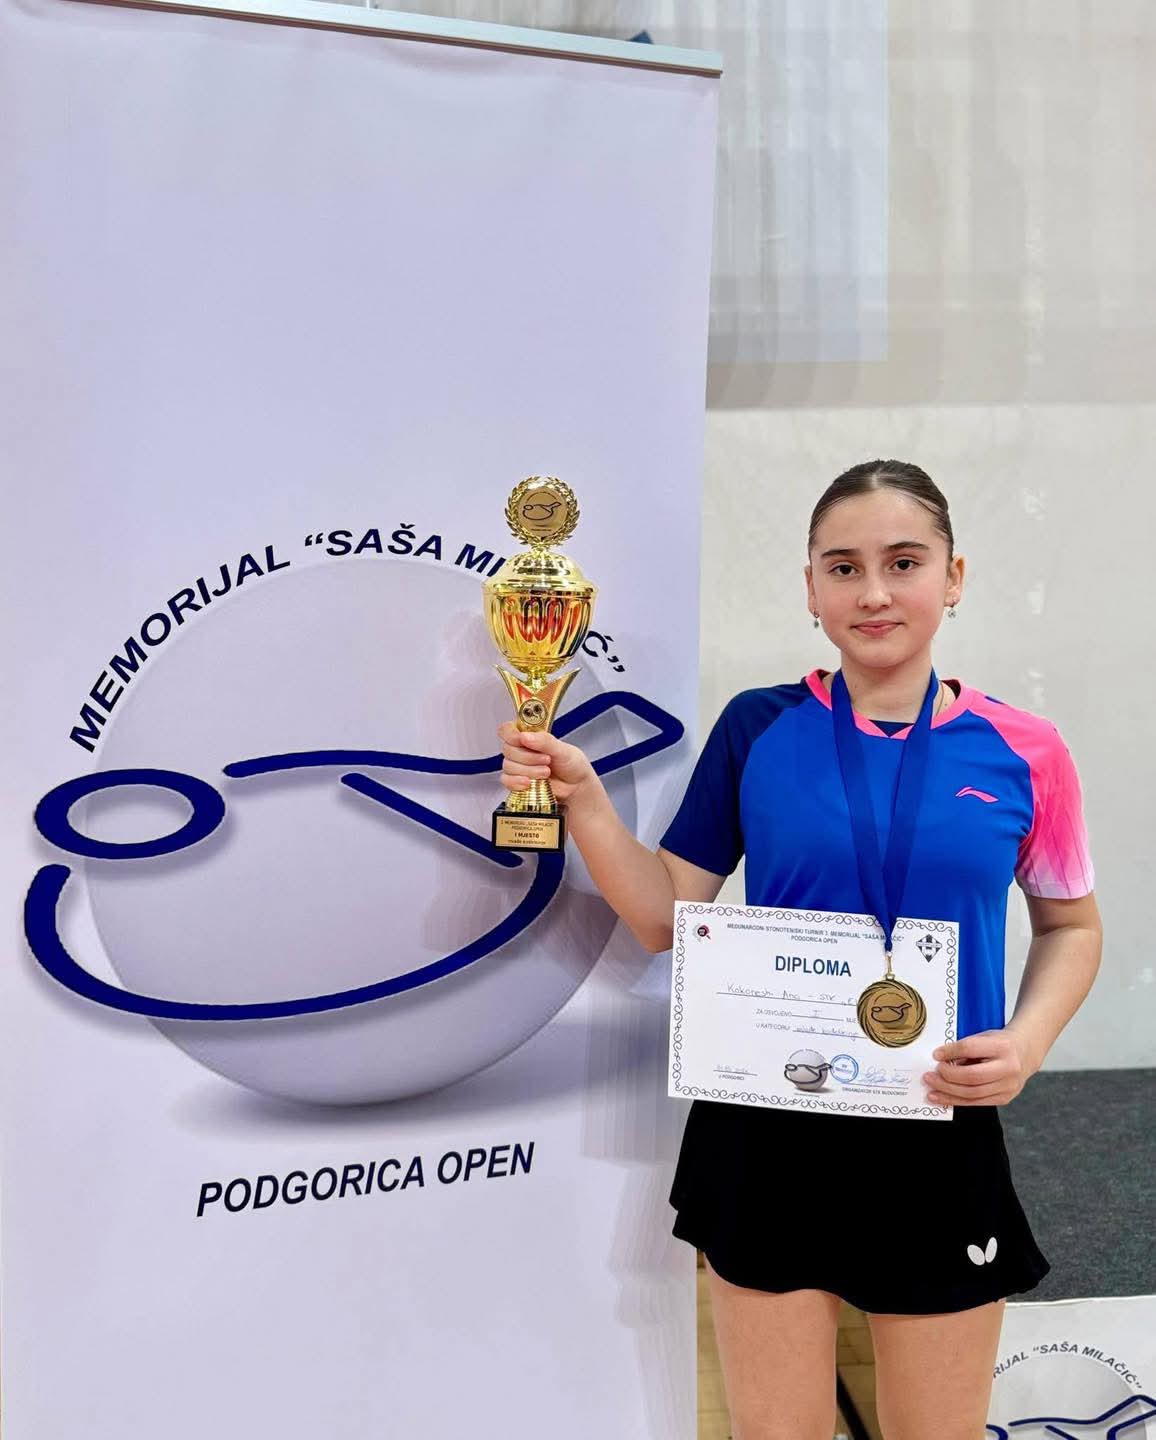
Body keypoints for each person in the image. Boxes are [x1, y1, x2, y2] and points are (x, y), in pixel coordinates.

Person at [497, 459, 1102, 1440]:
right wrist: (586, 804)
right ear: (810, 588)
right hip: (769, 1125)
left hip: (935, 1120)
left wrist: (1027, 1044)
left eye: (903, 562)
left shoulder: (1025, 749)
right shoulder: (758, 727)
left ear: (952, 576)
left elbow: (1071, 927)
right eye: (842, 567)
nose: (873, 592)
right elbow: (663, 915)